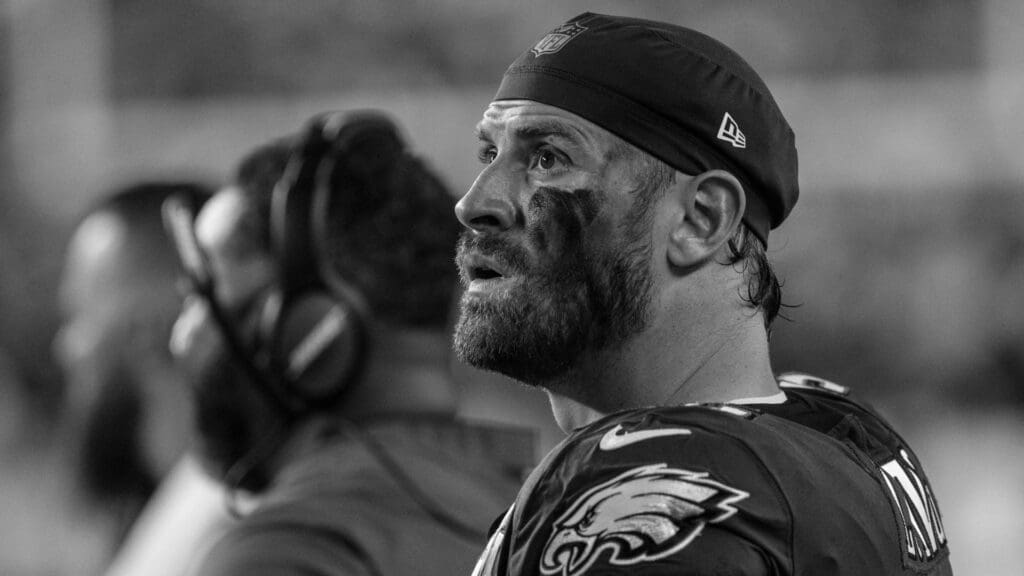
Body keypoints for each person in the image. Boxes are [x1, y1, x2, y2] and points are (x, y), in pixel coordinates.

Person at [454, 12, 952, 576]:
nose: (474, 203)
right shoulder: (837, 430)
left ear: (701, 218)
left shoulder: (651, 484)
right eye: (489, 155)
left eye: (548, 158)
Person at [166, 111, 534, 576]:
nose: (183, 337)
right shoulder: (546, 518)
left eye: (203, 298)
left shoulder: (285, 553)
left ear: (310, 327)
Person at [54, 182, 230, 576]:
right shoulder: (181, 516)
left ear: (147, 335)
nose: (66, 347)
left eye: (78, 317)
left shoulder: (223, 535)